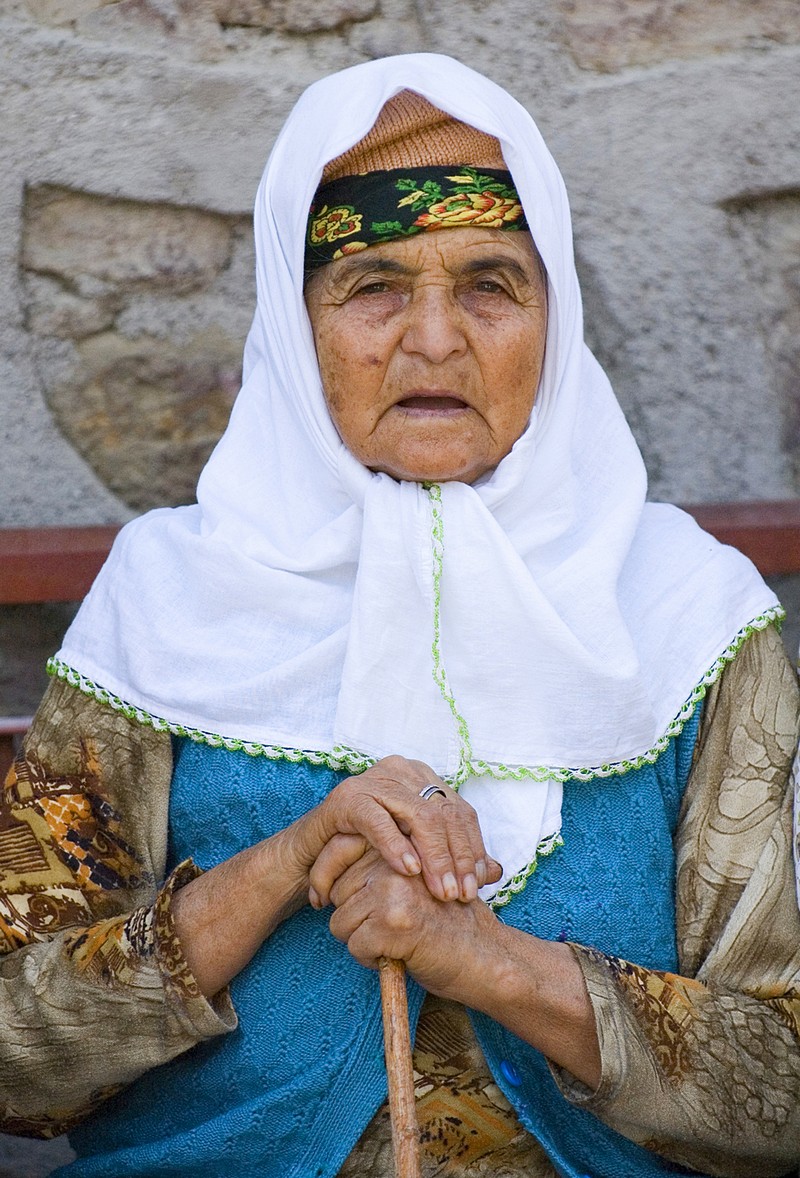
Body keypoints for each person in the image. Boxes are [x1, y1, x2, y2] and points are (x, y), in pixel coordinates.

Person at [1, 53, 798, 1178]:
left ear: (552, 317)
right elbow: (12, 1055)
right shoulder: (167, 604)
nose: (432, 338)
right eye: (371, 284)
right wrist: (278, 867)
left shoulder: (685, 617)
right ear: (295, 321)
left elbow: (784, 1085)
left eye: (488, 282)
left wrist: (488, 960)